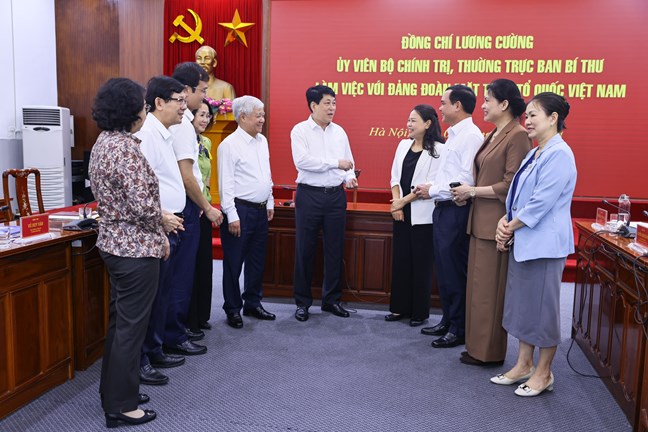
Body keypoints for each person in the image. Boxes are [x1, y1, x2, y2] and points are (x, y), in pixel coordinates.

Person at [89, 77, 169, 428]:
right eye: (142, 103)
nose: (145, 108)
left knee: (121, 324)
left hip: (115, 246)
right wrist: (163, 226)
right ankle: (120, 406)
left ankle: (115, 392)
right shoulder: (124, 149)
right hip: (135, 250)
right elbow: (144, 208)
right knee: (130, 329)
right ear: (130, 109)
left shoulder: (104, 143)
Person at [491, 92, 576, 396]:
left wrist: (508, 227)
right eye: (526, 115)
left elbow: (540, 203)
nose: (526, 120)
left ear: (553, 118)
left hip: (544, 245)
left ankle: (544, 373)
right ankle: (523, 364)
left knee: (544, 310)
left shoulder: (560, 154)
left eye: (533, 115)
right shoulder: (536, 152)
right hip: (525, 241)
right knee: (525, 307)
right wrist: (505, 222)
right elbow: (518, 196)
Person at [450, 79, 532, 366]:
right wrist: (467, 194)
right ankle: (475, 347)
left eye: (487, 100)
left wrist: (472, 191)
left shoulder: (518, 135)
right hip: (479, 221)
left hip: (496, 224)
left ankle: (489, 353)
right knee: (477, 289)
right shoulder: (495, 134)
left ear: (504, 104)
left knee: (489, 293)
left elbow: (511, 183)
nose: (482, 105)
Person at [415, 85, 483, 348]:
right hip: (442, 207)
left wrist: (432, 189)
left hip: (456, 208)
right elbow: (447, 175)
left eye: (443, 103)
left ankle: (459, 328)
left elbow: (464, 179)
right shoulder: (453, 135)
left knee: (454, 270)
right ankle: (447, 318)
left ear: (457, 105)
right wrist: (432, 187)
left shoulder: (471, 136)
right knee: (443, 269)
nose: (440, 107)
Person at [164, 62, 223, 356]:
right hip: (185, 207)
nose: (204, 95)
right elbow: (187, 175)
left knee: (182, 274)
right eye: (201, 89)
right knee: (181, 275)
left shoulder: (180, 124)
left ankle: (177, 330)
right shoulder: (182, 126)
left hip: (186, 204)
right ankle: (175, 334)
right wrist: (207, 207)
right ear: (186, 91)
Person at [136, 76, 189, 386]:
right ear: (158, 102)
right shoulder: (147, 135)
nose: (184, 107)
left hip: (172, 222)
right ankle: (143, 358)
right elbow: (143, 189)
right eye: (178, 100)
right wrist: (160, 219)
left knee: (163, 294)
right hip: (158, 225)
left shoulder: (165, 133)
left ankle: (155, 348)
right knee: (151, 298)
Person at [291, 85, 357, 322]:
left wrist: (350, 177)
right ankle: (302, 303)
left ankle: (331, 300)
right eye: (327, 103)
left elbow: (348, 161)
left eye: (334, 103)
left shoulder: (339, 131)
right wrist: (335, 164)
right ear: (313, 105)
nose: (332, 108)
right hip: (309, 196)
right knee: (305, 249)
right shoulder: (300, 131)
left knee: (334, 249)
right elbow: (303, 162)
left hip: (335, 197)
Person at [218, 95, 276, 328]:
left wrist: (269, 200)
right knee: (234, 262)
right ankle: (232, 308)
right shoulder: (229, 145)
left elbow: (266, 174)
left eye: (263, 114)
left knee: (256, 260)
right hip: (239, 211)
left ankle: (253, 302)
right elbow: (225, 184)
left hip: (261, 210)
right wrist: (231, 214)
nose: (263, 119)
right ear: (242, 117)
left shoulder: (262, 141)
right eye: (258, 115)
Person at [386, 105, 445, 327]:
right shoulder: (402, 145)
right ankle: (400, 308)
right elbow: (394, 178)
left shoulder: (438, 150)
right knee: (401, 261)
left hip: (423, 215)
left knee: (421, 264)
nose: (408, 125)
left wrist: (403, 201)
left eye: (413, 121)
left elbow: (428, 185)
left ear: (427, 124)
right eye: (408, 120)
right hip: (401, 212)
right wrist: (397, 205)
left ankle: (419, 313)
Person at [187, 99, 216, 334]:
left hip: (204, 206)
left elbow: (205, 179)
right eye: (201, 115)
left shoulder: (206, 142)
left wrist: (207, 204)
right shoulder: (185, 141)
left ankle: (202, 315)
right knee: (191, 266)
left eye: (208, 115)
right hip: (191, 207)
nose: (205, 119)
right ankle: (189, 319)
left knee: (205, 264)